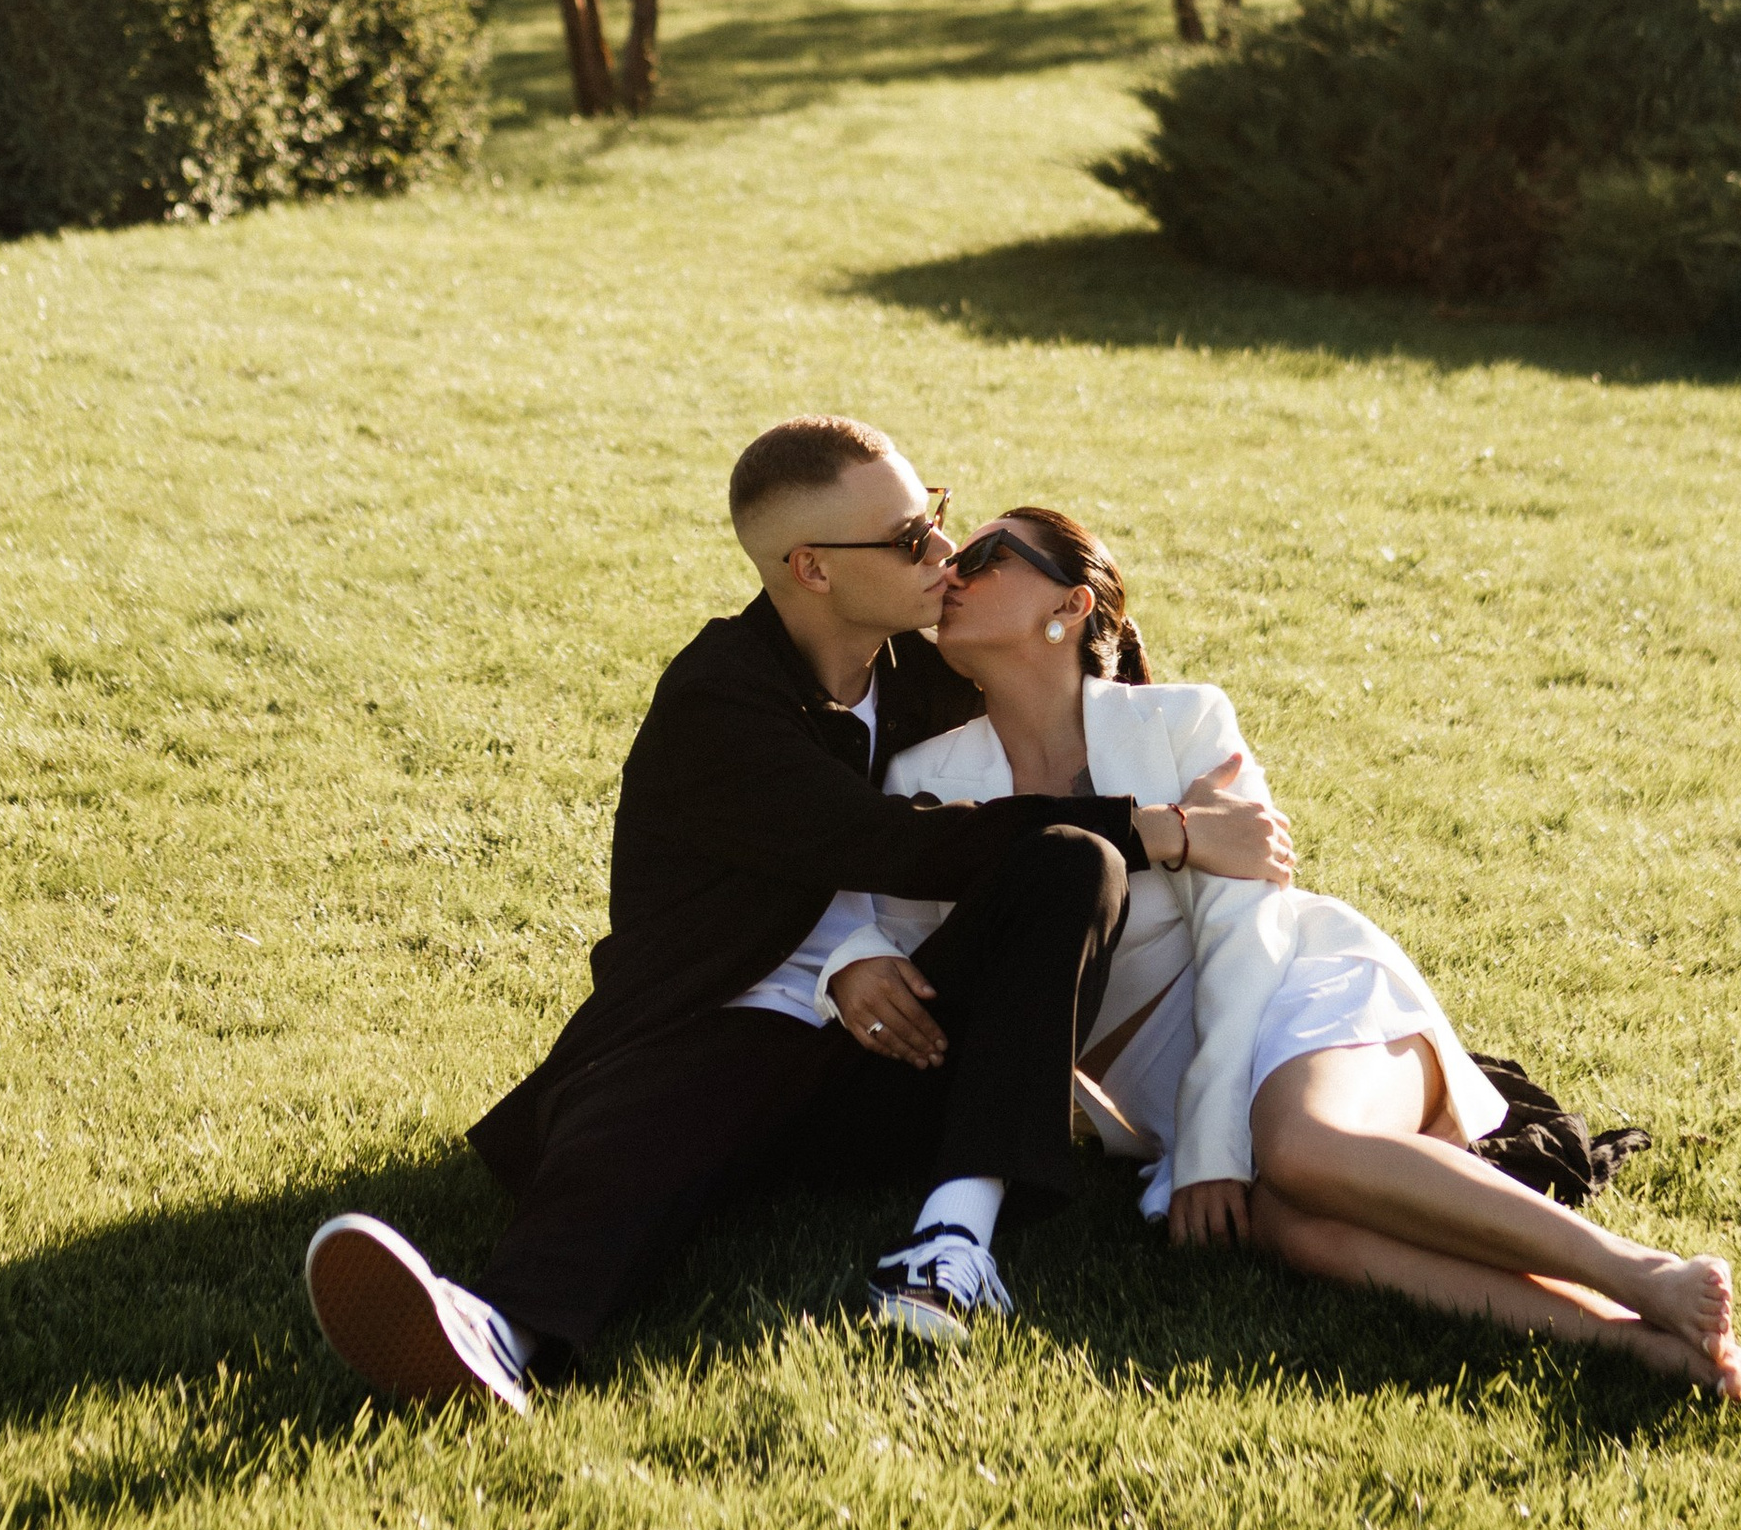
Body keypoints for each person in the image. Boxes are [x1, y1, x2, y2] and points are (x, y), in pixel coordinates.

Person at [302, 417, 1291, 1411]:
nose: (943, 557)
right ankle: (500, 1329)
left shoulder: (922, 666)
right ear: (812, 570)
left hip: (895, 1060)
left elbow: (1055, 719)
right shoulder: (719, 702)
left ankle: (952, 1241)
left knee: (1069, 862)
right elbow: (893, 842)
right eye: (910, 541)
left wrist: (1170, 802)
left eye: (934, 518)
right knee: (690, 1083)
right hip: (718, 1031)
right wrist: (1160, 829)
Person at [824, 504, 1741, 1406]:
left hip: (1293, 990)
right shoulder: (926, 779)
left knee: (1301, 1150)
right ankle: (1628, 1342)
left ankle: (1641, 1273)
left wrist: (1218, 1146)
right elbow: (912, 952)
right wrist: (855, 961)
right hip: (1155, 1090)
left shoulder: (1184, 723)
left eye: (990, 555)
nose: (955, 569)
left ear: (1069, 608)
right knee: (1297, 1233)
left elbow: (1243, 930)